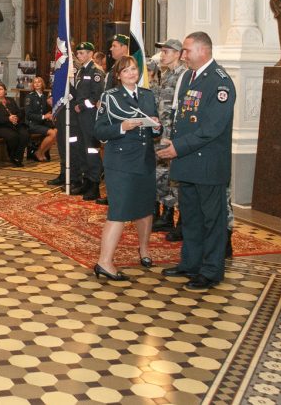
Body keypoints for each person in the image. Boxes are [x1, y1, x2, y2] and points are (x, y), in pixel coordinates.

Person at [156, 32, 236, 291]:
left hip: (207, 164)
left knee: (212, 220)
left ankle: (211, 271)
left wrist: (177, 148)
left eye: (187, 50)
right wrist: (174, 144)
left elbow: (212, 128)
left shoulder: (219, 82)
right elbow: (183, 116)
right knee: (190, 217)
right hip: (187, 161)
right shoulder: (189, 76)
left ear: (203, 50)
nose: (183, 55)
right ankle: (190, 263)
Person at [92, 56, 161, 281]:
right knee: (119, 212)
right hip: (120, 163)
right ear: (118, 75)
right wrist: (121, 127)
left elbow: (155, 128)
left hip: (145, 160)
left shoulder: (148, 95)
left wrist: (156, 128)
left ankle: (144, 250)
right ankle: (104, 261)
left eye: (134, 69)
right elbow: (99, 131)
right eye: (126, 70)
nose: (131, 73)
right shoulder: (110, 97)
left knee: (145, 209)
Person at [49, 42, 104, 199]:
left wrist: (82, 106)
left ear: (90, 54)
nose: (78, 56)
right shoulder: (81, 71)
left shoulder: (95, 71)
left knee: (91, 150)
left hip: (89, 116)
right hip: (79, 117)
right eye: (78, 53)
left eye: (81, 53)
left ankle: (94, 184)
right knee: (81, 148)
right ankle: (86, 180)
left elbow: (96, 96)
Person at [151, 39, 186, 233]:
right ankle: (164, 212)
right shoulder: (165, 75)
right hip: (160, 133)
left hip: (173, 135)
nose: (162, 55)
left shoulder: (184, 76)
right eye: (162, 51)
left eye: (166, 51)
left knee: (175, 178)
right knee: (160, 175)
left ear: (178, 53)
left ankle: (179, 218)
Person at [0, 83, 29, 167]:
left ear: (5, 91)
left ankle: (17, 156)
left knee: (25, 134)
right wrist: (8, 119)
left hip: (14, 124)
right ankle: (13, 156)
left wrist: (16, 117)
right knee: (13, 136)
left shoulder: (10, 100)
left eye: (0, 89)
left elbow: (19, 112)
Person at [24, 76, 57, 162]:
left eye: (39, 82)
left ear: (42, 84)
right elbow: (28, 114)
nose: (37, 84)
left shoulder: (43, 96)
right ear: (33, 85)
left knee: (57, 131)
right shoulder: (30, 97)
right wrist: (43, 116)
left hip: (41, 123)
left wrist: (49, 114)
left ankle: (42, 152)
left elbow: (45, 111)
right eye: (35, 82)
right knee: (52, 133)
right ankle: (39, 152)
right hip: (32, 123)